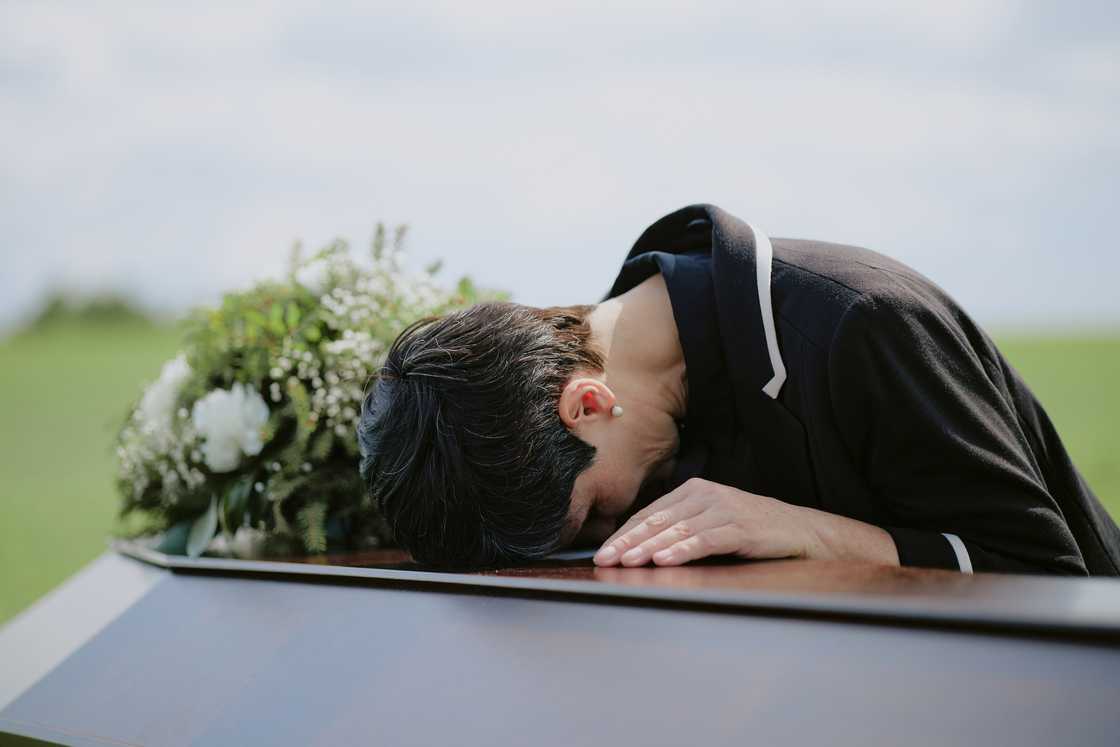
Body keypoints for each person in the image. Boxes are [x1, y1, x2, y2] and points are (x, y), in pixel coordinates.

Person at [357, 203, 1120, 575]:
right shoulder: (646, 428)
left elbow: (1049, 575)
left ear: (587, 403)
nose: (608, 545)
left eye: (591, 515)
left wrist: (808, 531)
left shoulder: (861, 324)